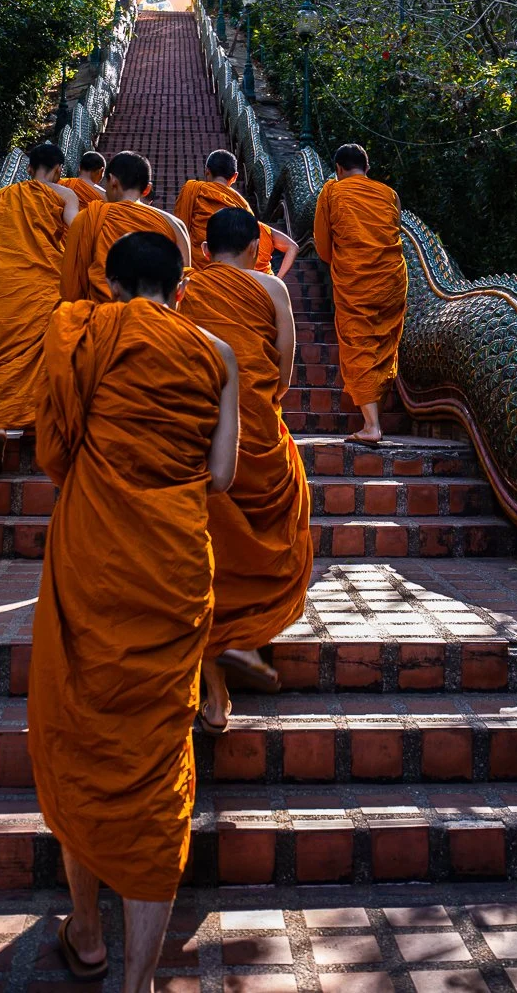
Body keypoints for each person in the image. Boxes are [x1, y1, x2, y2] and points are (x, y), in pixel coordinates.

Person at [30, 231, 239, 992]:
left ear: (112, 285)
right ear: (182, 289)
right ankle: (139, 979)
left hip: (94, 555)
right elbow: (221, 474)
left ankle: (86, 932)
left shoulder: (86, 327)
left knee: (81, 733)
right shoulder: (216, 352)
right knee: (156, 759)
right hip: (174, 566)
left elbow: (54, 448)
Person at [180, 206, 312, 731]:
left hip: (201, 436)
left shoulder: (187, 287)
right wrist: (264, 402)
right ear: (259, 249)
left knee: (205, 558)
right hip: (257, 431)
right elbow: (285, 365)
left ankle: (216, 695)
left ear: (205, 250)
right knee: (270, 530)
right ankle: (246, 640)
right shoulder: (272, 289)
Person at [0, 142, 81, 454]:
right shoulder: (63, 194)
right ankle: (33, 422)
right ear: (59, 171)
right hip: (42, 285)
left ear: (27, 169)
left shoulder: (2, 197)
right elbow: (78, 230)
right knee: (41, 353)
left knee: (4, 355)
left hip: (6, 288)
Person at [312, 143, 406, 446]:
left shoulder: (333, 192)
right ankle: (374, 416)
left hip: (357, 280)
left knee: (359, 344)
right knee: (382, 343)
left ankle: (371, 426)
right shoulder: (389, 194)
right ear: (367, 168)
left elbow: (323, 247)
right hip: (392, 279)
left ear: (339, 169)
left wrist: (343, 260)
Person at [58, 150, 192, 302]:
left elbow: (72, 285)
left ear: (112, 181)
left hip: (102, 319)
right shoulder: (176, 226)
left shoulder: (88, 218)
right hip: (155, 320)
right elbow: (183, 287)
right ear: (147, 189)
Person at [172, 149, 298, 280]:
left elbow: (180, 232)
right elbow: (290, 246)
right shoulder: (242, 206)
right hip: (233, 280)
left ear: (207, 172)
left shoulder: (192, 191)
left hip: (197, 278)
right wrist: (278, 279)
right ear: (235, 177)